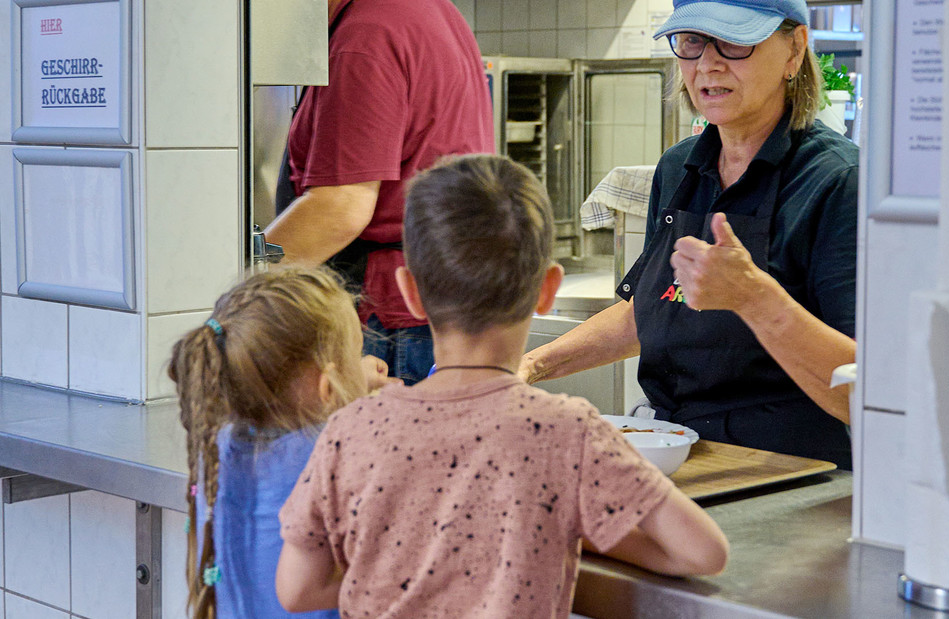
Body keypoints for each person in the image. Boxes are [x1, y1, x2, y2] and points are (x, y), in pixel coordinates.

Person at [275, 154, 728, 617]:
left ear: (410, 292)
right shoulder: (567, 430)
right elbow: (702, 553)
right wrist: (573, 530)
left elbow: (297, 591)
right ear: (547, 290)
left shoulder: (353, 427)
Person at [519, 0, 858, 469]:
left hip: (795, 474)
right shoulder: (680, 167)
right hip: (677, 453)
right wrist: (529, 367)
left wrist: (754, 298)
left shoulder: (838, 182)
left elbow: (862, 393)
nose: (708, 63)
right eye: (693, 42)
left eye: (735, 41)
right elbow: (650, 310)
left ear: (794, 50)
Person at [263, 0, 494, 385]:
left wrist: (246, 285)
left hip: (390, 322)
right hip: (437, 299)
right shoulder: (429, 9)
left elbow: (341, 208)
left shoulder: (365, 36)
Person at [168, 267, 396, 619]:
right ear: (327, 387)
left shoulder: (217, 446)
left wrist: (347, 385)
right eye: (356, 353)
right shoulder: (335, 454)